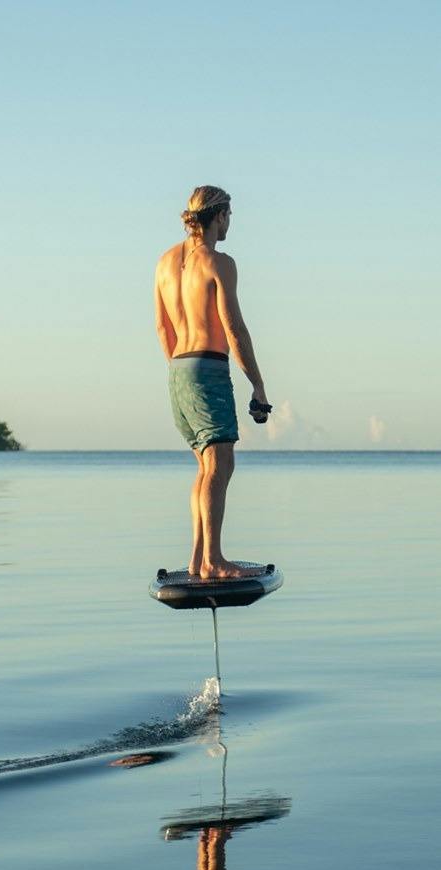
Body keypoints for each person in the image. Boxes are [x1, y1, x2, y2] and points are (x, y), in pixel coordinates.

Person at [154, 185, 272, 581]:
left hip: (178, 371)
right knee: (219, 466)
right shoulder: (219, 263)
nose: (230, 223)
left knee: (206, 468)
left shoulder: (165, 262)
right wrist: (257, 384)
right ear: (218, 215)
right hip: (207, 367)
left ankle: (197, 559)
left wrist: (179, 370)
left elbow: (161, 326)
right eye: (230, 215)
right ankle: (214, 560)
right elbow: (234, 327)